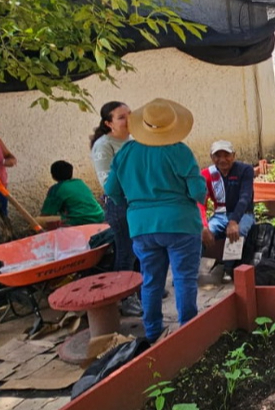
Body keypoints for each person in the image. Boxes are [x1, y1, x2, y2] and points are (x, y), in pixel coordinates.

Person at [104, 98, 207, 342]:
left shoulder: (126, 152)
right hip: (181, 223)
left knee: (151, 281)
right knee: (183, 279)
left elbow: (112, 190)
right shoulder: (179, 150)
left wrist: (135, 206)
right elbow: (197, 192)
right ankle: (188, 331)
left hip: (141, 227)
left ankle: (152, 333)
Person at [90, 101, 136, 273]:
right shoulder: (103, 145)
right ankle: (125, 297)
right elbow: (107, 183)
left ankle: (143, 289)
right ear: (109, 123)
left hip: (138, 202)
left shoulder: (133, 140)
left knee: (142, 249)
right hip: (119, 204)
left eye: (130, 114)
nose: (129, 119)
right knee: (126, 252)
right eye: (122, 117)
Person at [199, 140, 256, 276]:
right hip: (220, 215)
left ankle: (228, 270)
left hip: (243, 214)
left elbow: (245, 197)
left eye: (227, 155)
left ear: (234, 155)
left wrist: (234, 221)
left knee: (239, 231)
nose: (222, 160)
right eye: (218, 156)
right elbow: (200, 202)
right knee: (197, 236)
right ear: (212, 158)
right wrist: (203, 225)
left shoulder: (245, 170)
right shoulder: (207, 174)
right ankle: (188, 273)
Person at [41, 160, 105, 226]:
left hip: (80, 221)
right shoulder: (80, 183)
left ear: (53, 176)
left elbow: (45, 216)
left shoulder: (57, 189)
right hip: (100, 217)